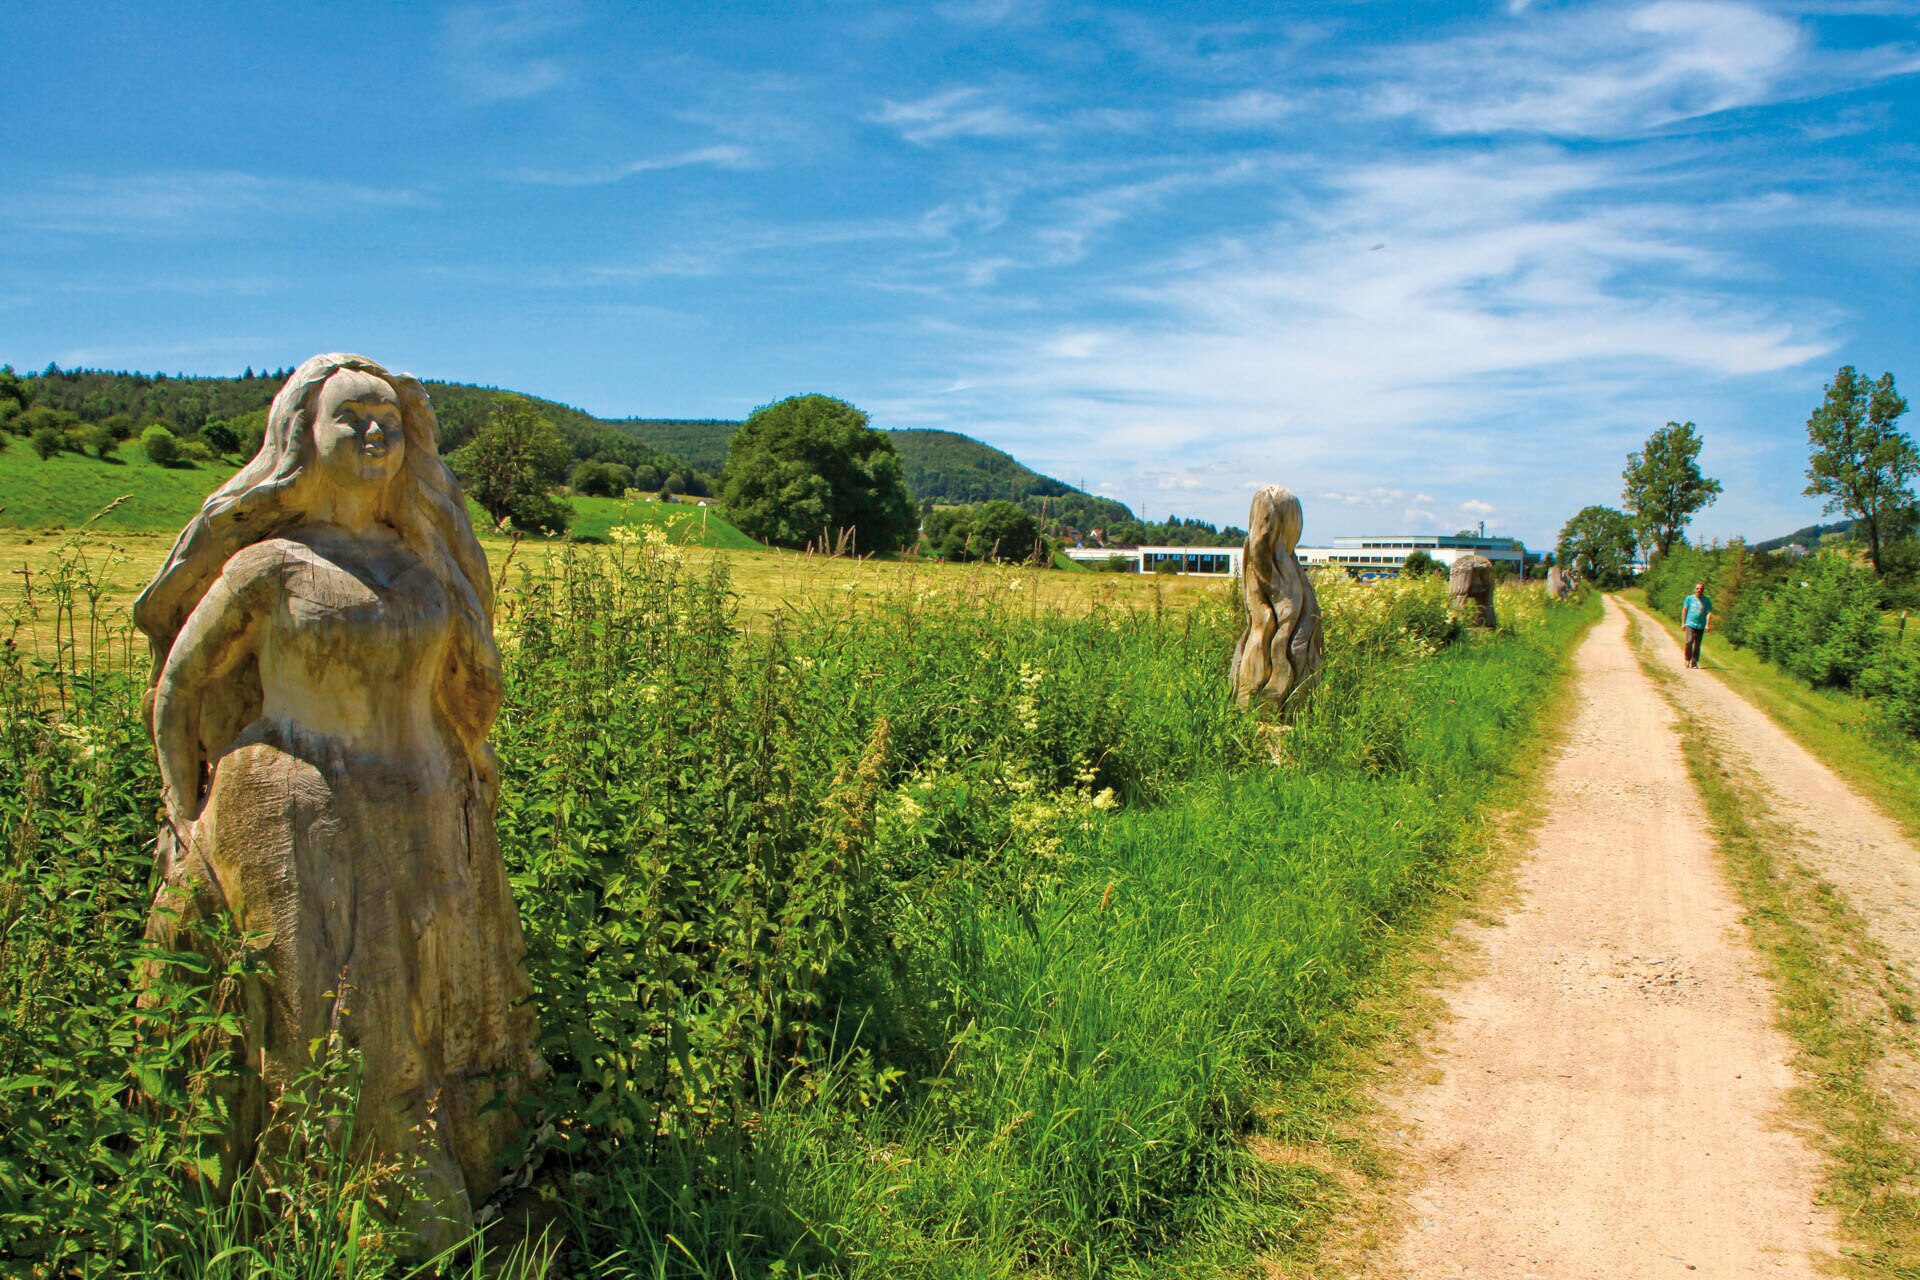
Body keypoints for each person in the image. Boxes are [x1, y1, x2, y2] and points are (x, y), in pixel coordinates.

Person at [133, 354, 541, 1246]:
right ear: (300, 437)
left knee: (431, 1005)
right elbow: (180, 686)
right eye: (349, 417)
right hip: (290, 806)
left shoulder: (421, 562)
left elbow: (465, 691)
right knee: (324, 1011)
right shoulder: (271, 564)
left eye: (387, 419)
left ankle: (448, 1179)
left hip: (421, 803)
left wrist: (472, 768)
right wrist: (181, 806)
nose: (372, 433)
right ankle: (335, 1208)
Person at [1681, 580, 1713, 668]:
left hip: (1700, 625)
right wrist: (1683, 623)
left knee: (1697, 644)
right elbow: (1684, 610)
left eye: (1701, 589)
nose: (1699, 590)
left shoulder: (1706, 600)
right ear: (1695, 589)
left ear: (1703, 590)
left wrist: (1707, 624)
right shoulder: (1689, 598)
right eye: (1697, 588)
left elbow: (1709, 613)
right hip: (1690, 623)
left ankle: (1694, 662)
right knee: (1689, 641)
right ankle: (1687, 660)